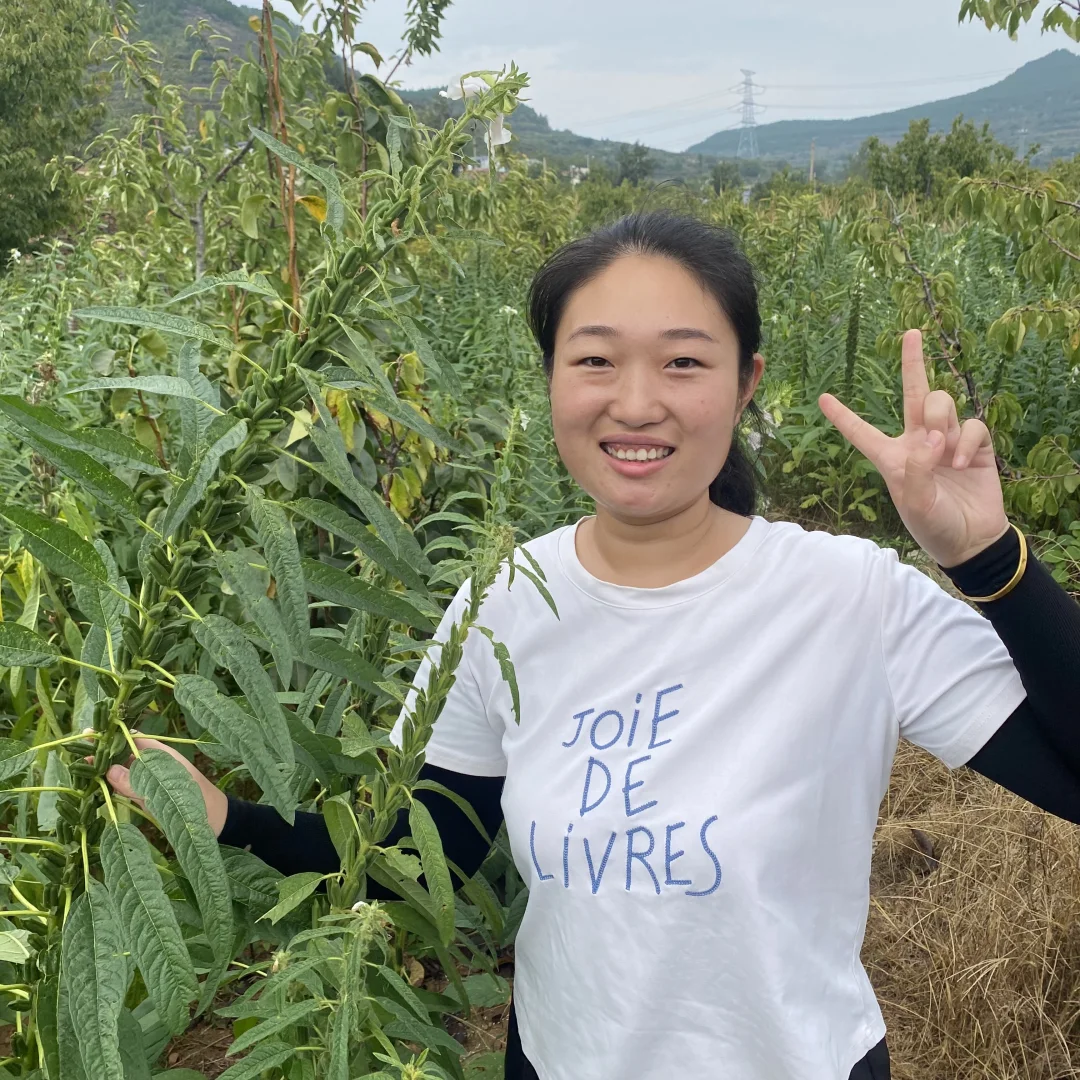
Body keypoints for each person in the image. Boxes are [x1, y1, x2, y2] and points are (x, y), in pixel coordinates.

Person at [106, 212, 1080, 1080]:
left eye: (685, 362)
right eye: (596, 359)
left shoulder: (846, 596)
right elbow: (423, 848)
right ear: (552, 381)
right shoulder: (507, 599)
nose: (637, 401)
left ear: (747, 385)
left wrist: (989, 559)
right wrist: (229, 818)